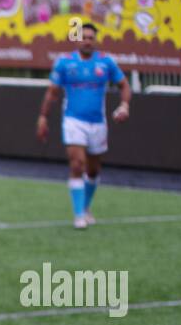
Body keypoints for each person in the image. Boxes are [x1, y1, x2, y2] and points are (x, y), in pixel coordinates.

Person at [36, 23, 130, 230]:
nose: (87, 40)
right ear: (77, 39)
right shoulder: (65, 63)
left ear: (95, 40)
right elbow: (52, 92)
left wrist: (124, 105)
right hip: (73, 120)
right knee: (77, 164)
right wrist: (43, 117)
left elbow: (124, 85)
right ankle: (78, 215)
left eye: (90, 37)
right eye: (83, 37)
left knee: (94, 170)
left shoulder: (105, 63)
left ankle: (86, 207)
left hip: (98, 122)